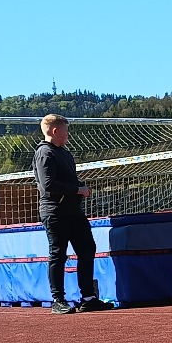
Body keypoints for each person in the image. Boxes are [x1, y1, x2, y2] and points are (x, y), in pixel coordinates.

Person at [33, 114, 114, 313]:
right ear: (55, 131)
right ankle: (58, 300)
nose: (68, 134)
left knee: (87, 249)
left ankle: (88, 298)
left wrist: (81, 187)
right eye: (65, 130)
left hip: (73, 211)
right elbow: (48, 185)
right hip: (55, 212)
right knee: (58, 254)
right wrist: (78, 190)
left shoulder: (65, 153)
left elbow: (68, 179)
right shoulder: (44, 153)